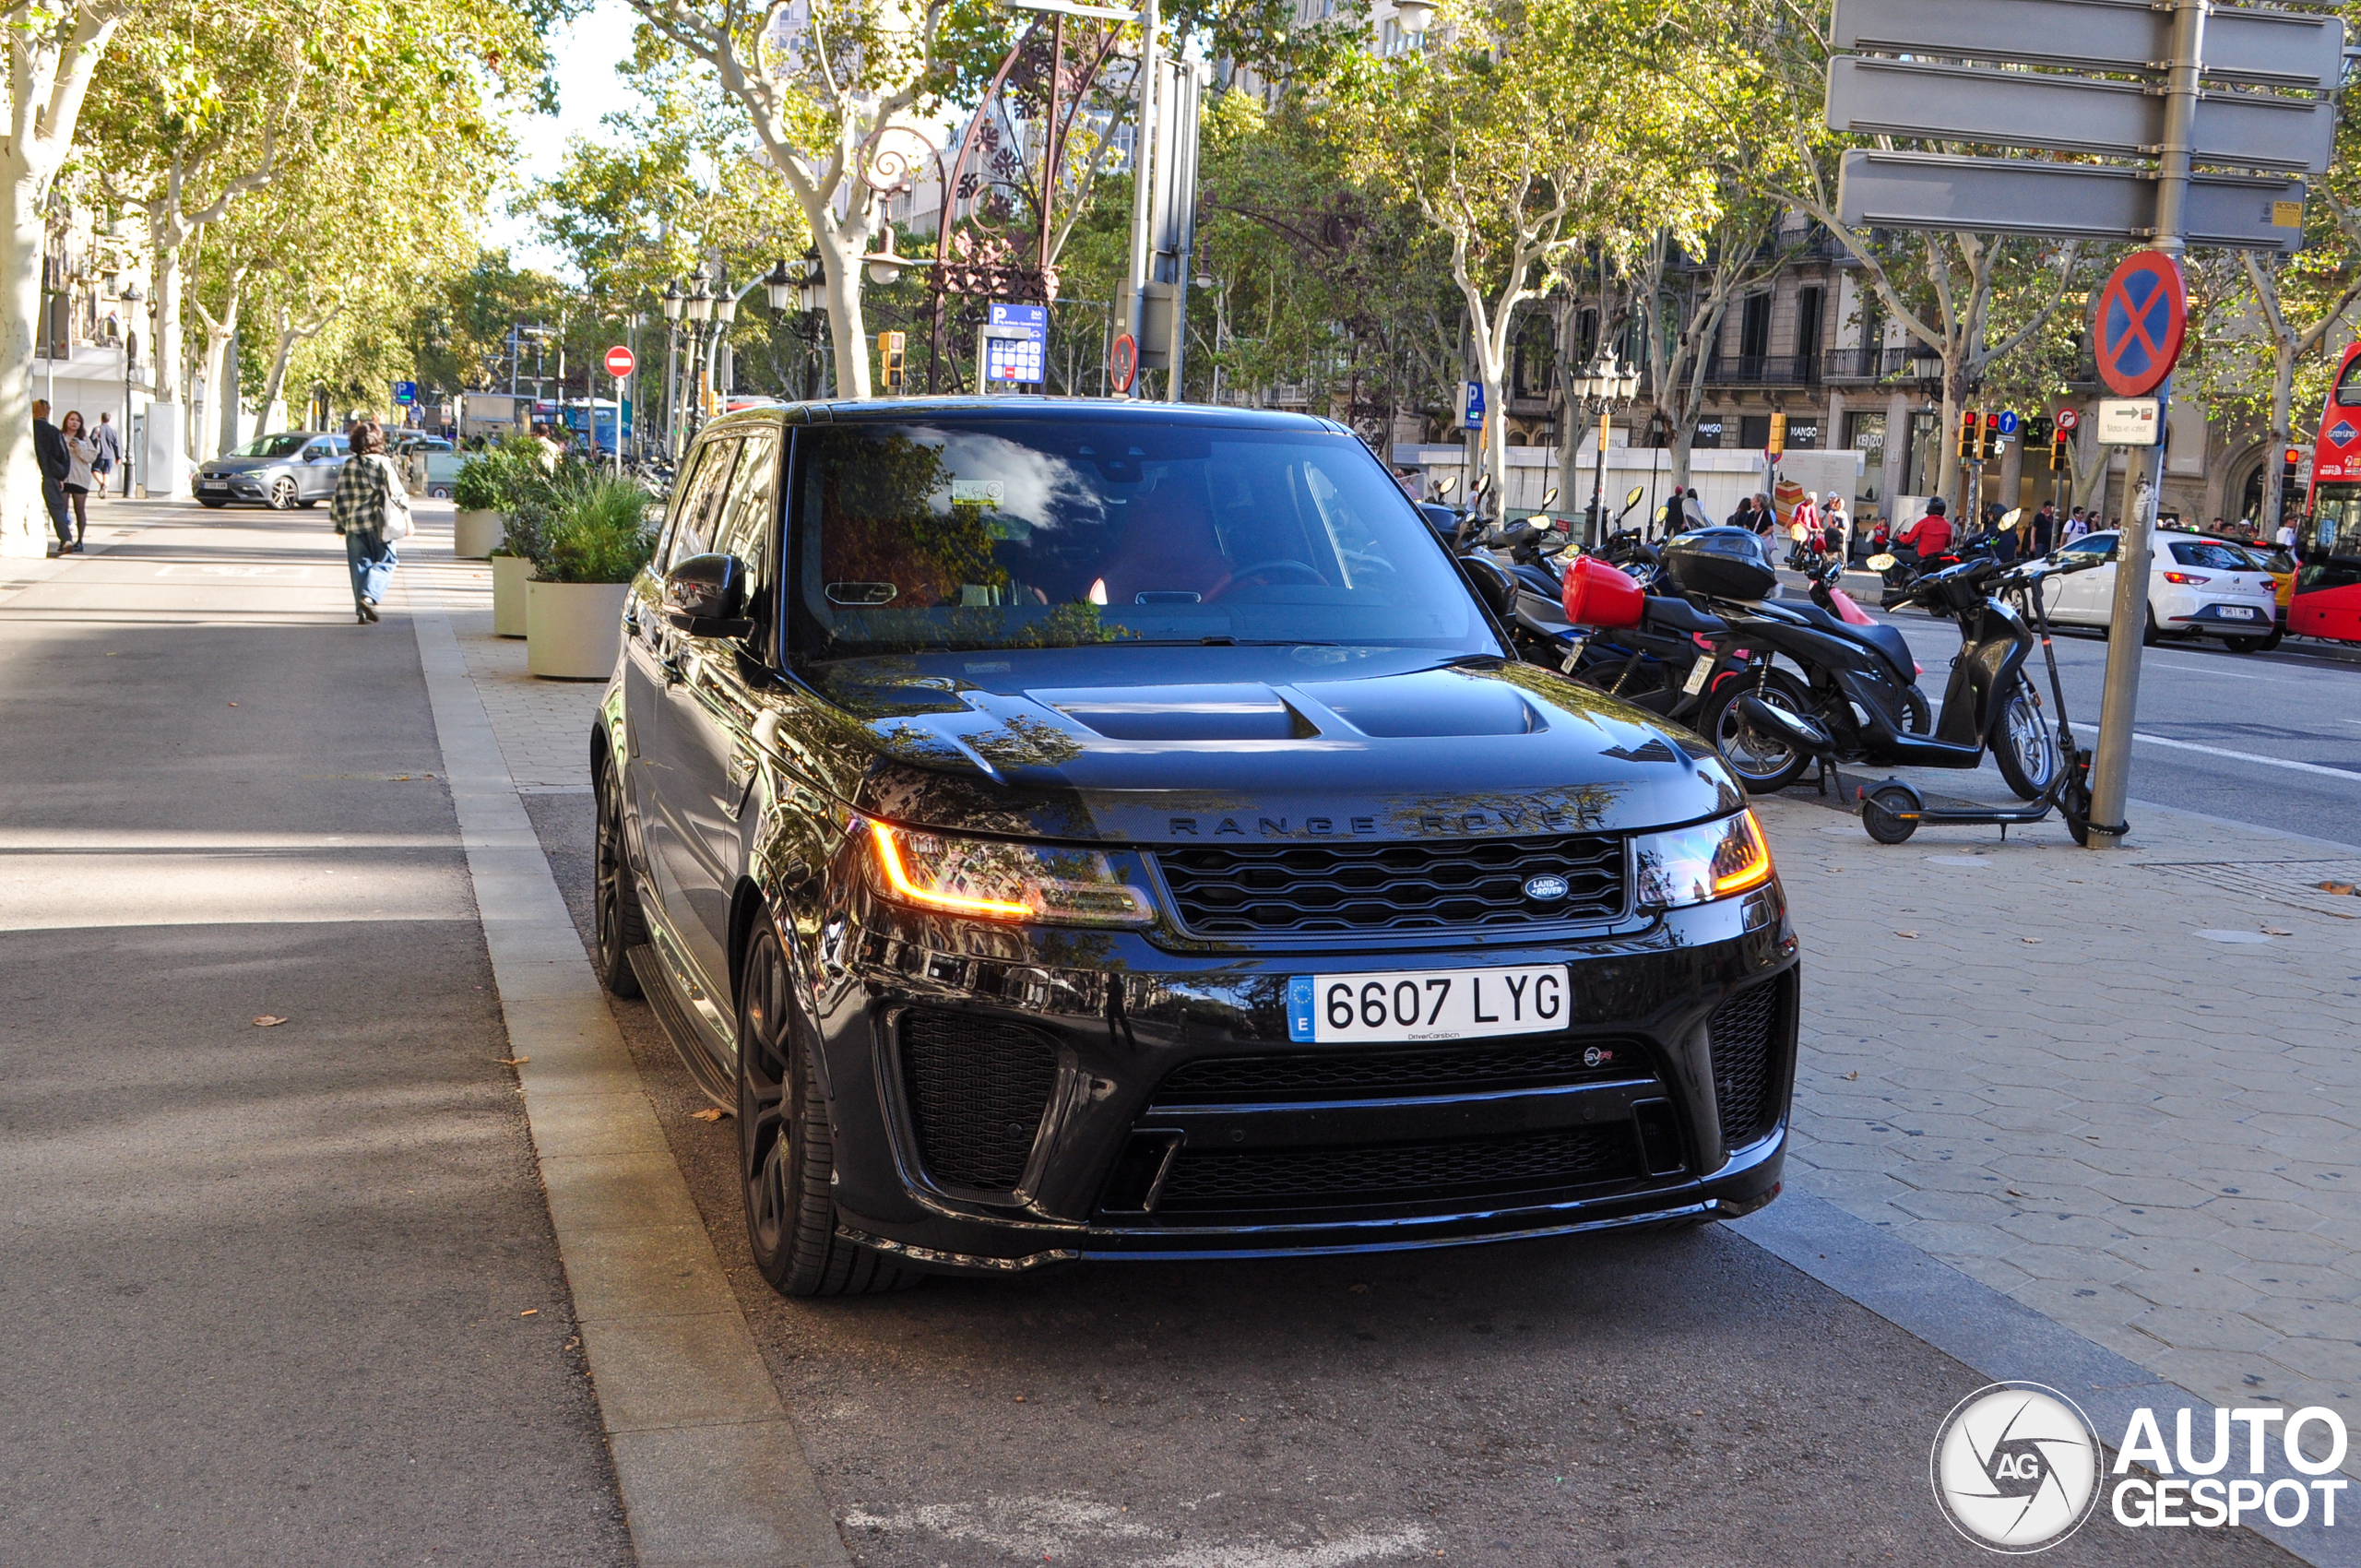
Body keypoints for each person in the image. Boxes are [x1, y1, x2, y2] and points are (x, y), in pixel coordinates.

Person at [329, 420, 409, 624]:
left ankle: (362, 610)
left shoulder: (349, 464)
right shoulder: (383, 464)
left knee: (359, 566)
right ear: (379, 441)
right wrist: (408, 519)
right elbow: (397, 494)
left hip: (355, 524)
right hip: (380, 524)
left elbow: (340, 496)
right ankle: (369, 596)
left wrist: (339, 524)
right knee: (387, 560)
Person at [31, 398, 74, 554]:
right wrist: (61, 476)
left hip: (32, 473)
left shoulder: (30, 430)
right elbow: (64, 456)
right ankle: (66, 538)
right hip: (51, 476)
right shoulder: (54, 431)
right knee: (56, 509)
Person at [58, 410, 95, 549]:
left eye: (77, 420)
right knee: (62, 509)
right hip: (64, 477)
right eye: (72, 419)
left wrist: (78, 448)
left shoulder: (84, 438)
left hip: (80, 478)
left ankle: (80, 540)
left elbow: (91, 457)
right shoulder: (61, 436)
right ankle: (65, 539)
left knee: (79, 509)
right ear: (66, 421)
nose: (74, 422)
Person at [1897, 496, 1953, 564]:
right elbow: (1949, 543)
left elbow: (1908, 540)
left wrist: (1900, 536)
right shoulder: (1947, 526)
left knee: (1895, 554)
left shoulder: (1923, 523)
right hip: (1937, 559)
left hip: (1922, 557)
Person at [91, 410, 123, 498]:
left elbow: (91, 440)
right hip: (109, 456)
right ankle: (105, 492)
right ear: (109, 420)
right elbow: (116, 445)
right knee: (106, 473)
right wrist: (118, 457)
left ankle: (102, 484)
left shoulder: (97, 429)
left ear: (101, 419)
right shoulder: (113, 432)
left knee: (95, 470)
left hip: (99, 455)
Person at [1822, 492, 1849, 559]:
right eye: (1839, 504)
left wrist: (1845, 530)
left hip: (1842, 534)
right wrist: (1837, 530)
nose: (1841, 505)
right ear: (1836, 504)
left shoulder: (1844, 513)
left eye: (1842, 504)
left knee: (1842, 549)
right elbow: (1831, 523)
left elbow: (1847, 523)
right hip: (1833, 533)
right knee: (1832, 548)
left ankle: (1843, 564)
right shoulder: (1832, 512)